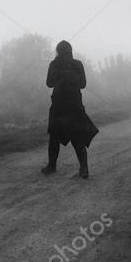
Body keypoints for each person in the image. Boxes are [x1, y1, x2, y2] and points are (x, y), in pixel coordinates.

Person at [42, 40, 98, 178]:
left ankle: (51, 166)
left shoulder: (55, 64)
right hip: (73, 106)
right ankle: (84, 169)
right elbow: (83, 84)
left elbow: (49, 83)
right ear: (70, 50)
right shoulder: (76, 64)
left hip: (60, 106)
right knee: (77, 138)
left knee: (54, 137)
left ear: (58, 51)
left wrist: (62, 76)